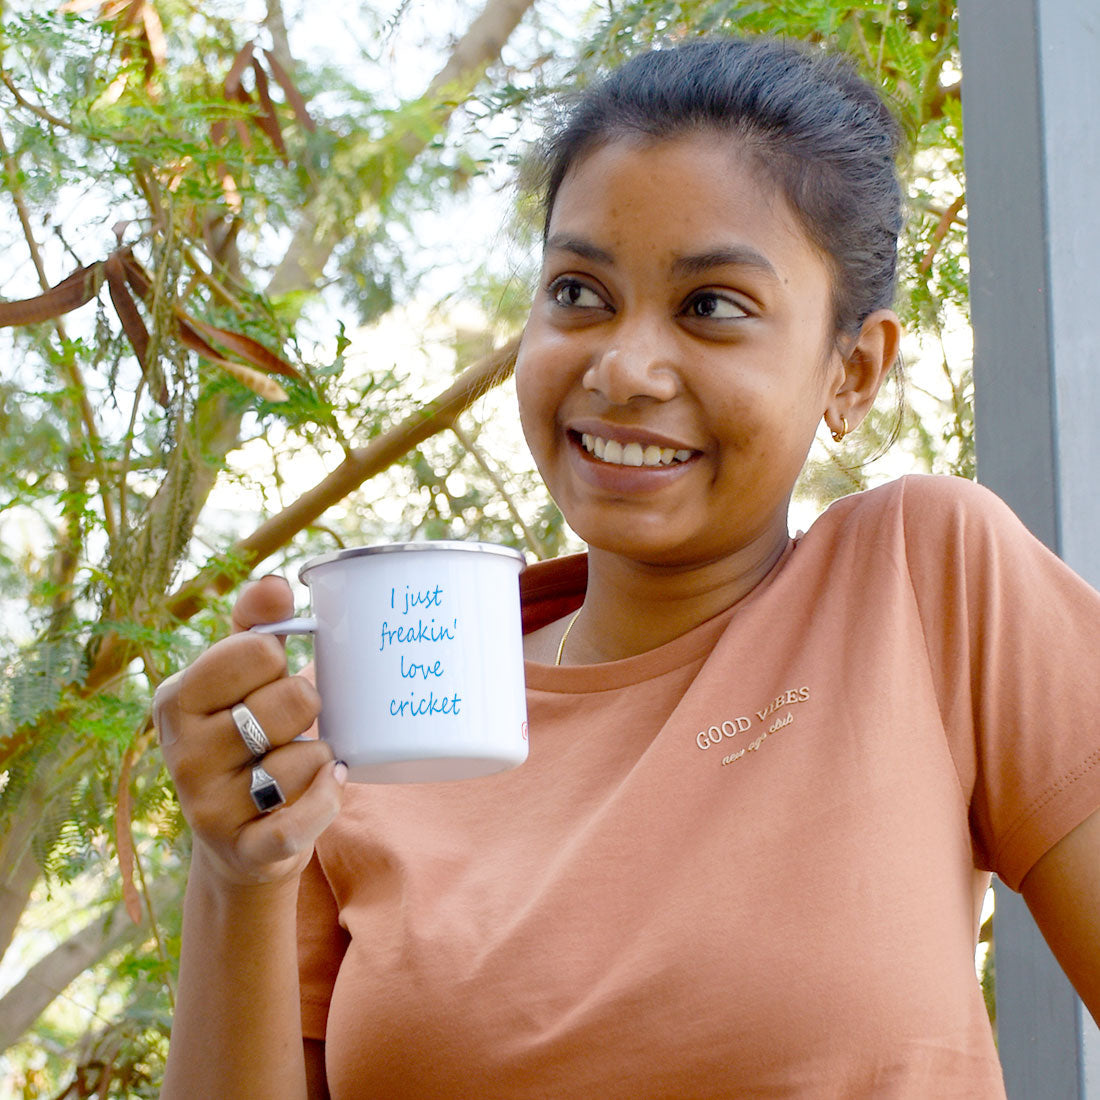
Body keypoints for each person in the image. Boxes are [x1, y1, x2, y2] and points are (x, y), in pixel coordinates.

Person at [154, 36, 1100, 1099]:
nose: (622, 367)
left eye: (711, 306)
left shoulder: (923, 581)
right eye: (578, 291)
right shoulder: (378, 718)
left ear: (853, 369)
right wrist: (238, 872)